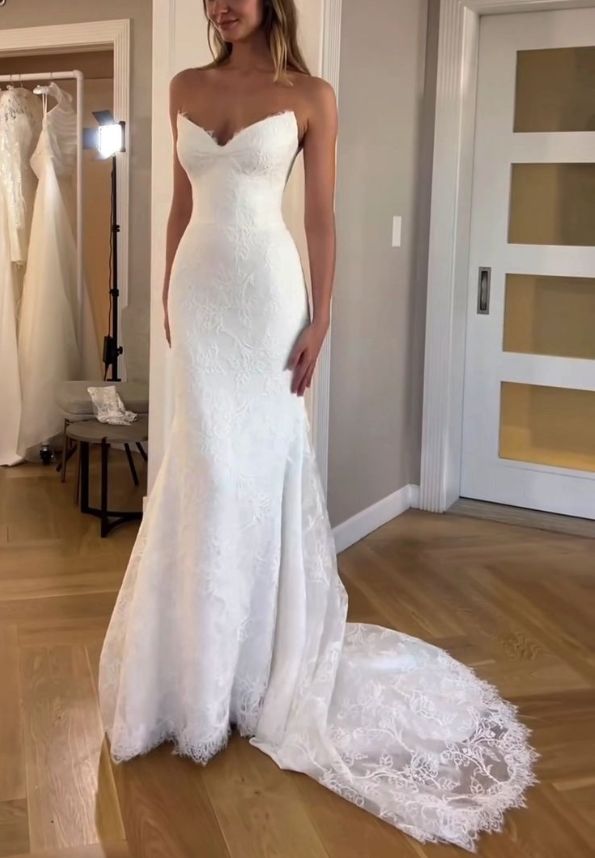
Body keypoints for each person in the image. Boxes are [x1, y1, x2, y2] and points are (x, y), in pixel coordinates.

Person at [97, 1, 538, 851]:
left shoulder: (312, 95)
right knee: (199, 469)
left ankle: (255, 664)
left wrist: (321, 318)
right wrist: (161, 293)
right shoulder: (185, 84)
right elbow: (179, 207)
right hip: (199, 300)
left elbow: (321, 216)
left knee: (249, 473)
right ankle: (188, 672)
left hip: (266, 301)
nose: (219, 5)